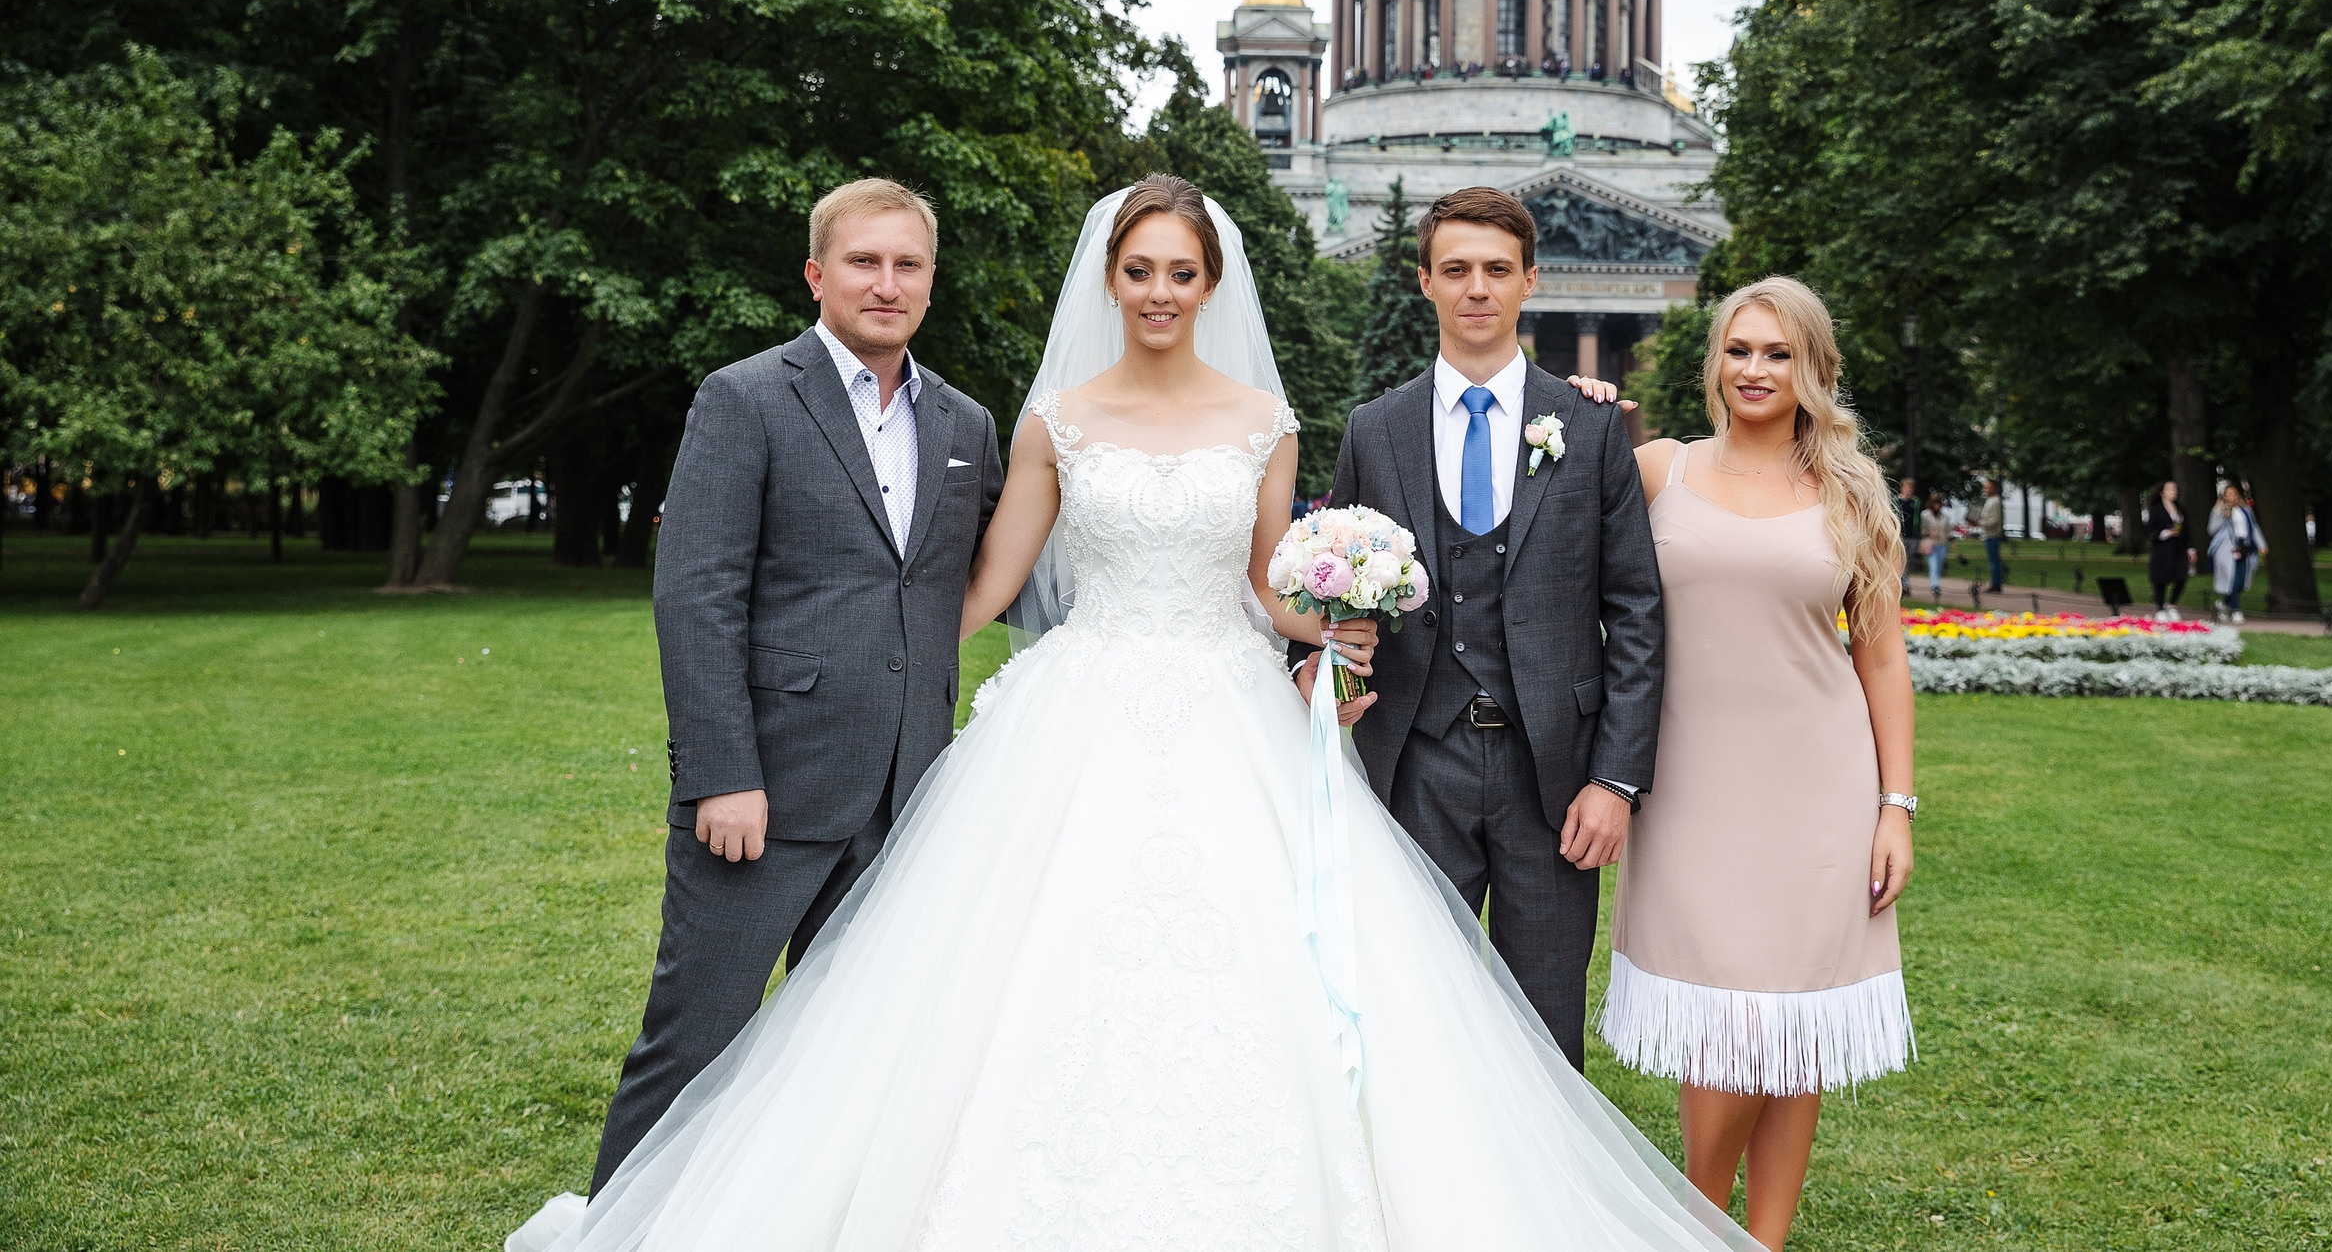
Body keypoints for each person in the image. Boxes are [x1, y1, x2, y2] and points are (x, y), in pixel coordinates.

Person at [509, 176, 1762, 1252]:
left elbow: (1270, 585)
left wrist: (1339, 606)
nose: (1161, 288)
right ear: (1109, 279)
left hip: (1227, 712)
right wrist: (832, 671)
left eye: (1182, 271)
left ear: (1211, 282)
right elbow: (981, 583)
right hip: (1079, 712)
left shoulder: (1263, 422)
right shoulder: (1051, 422)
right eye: (1140, 269)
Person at [579, 179, 1005, 1194]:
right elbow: (696, 597)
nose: (886, 282)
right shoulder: (746, 398)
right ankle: (621, 1228)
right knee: (694, 1047)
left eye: (907, 264)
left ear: (931, 283)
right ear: (817, 273)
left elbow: (999, 572)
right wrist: (724, 771)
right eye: (864, 260)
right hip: (764, 794)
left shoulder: (964, 421)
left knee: (853, 1063)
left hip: (905, 798)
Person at [1299, 185, 1663, 1070]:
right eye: (1455, 269)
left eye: (1497, 270)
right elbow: (1327, 570)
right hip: (1415, 760)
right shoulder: (1373, 430)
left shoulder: (1589, 425)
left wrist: (1615, 783)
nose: (1476, 289)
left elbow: (1638, 613)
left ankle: (1545, 1206)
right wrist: (1311, 665)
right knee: (1415, 1016)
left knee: (1545, 1027)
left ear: (1530, 280)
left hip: (1557, 778)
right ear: (1425, 281)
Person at [1600, 275, 1917, 1251]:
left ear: (1811, 368)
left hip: (1818, 784)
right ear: (1714, 363)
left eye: (1776, 352)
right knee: (1725, 1021)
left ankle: (1761, 1242)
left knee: (1794, 1022)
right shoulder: (1658, 469)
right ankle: (1699, 1222)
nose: (1754, 368)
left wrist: (1894, 803)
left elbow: (1881, 654)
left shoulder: (1851, 492)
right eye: (1739, 349)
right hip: (1690, 787)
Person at [2207, 485, 2261, 624]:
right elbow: (2211, 529)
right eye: (2228, 494)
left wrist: (2261, 544)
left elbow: (2253, 527)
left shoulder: (2245, 511)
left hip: (2243, 547)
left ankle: (2224, 603)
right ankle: (2236, 609)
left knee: (2241, 580)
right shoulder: (2218, 510)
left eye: (2233, 493)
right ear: (2224, 496)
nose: (2231, 497)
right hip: (2226, 548)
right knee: (2231, 578)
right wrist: (2223, 517)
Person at [2144, 479, 2192, 613]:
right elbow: (2150, 529)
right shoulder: (2157, 510)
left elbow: (2187, 529)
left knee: (2181, 576)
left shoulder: (2181, 509)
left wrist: (2190, 548)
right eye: (2170, 489)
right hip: (2163, 548)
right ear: (2162, 493)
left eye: (2175, 489)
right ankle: (2160, 606)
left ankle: (2172, 603)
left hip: (2179, 547)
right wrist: (2164, 533)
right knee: (2161, 577)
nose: (2174, 492)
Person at [1919, 492, 1950, 599]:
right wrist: (1929, 533)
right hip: (1930, 543)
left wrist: (1950, 540)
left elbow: (1947, 530)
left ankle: (1936, 582)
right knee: (1933, 565)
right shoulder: (1925, 514)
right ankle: (1935, 585)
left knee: (1939, 565)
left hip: (1942, 543)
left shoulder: (1945, 516)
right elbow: (1922, 529)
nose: (1936, 505)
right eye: (1934, 503)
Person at [1978, 478, 2006, 591]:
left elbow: (1994, 520)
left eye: (1988, 487)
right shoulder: (1990, 500)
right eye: (1985, 487)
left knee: (1994, 561)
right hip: (1988, 534)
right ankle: (1995, 582)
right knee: (1992, 560)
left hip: (1992, 535)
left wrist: (1980, 523)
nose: (1986, 489)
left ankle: (1996, 584)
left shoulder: (1995, 501)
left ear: (1994, 488)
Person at [1896, 476, 1920, 591]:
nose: (1909, 490)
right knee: (1900, 559)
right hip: (1900, 535)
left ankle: (1904, 581)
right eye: (1907, 488)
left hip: (1912, 535)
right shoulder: (1897, 501)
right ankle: (1902, 583)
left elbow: (1917, 519)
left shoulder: (1915, 502)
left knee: (1908, 560)